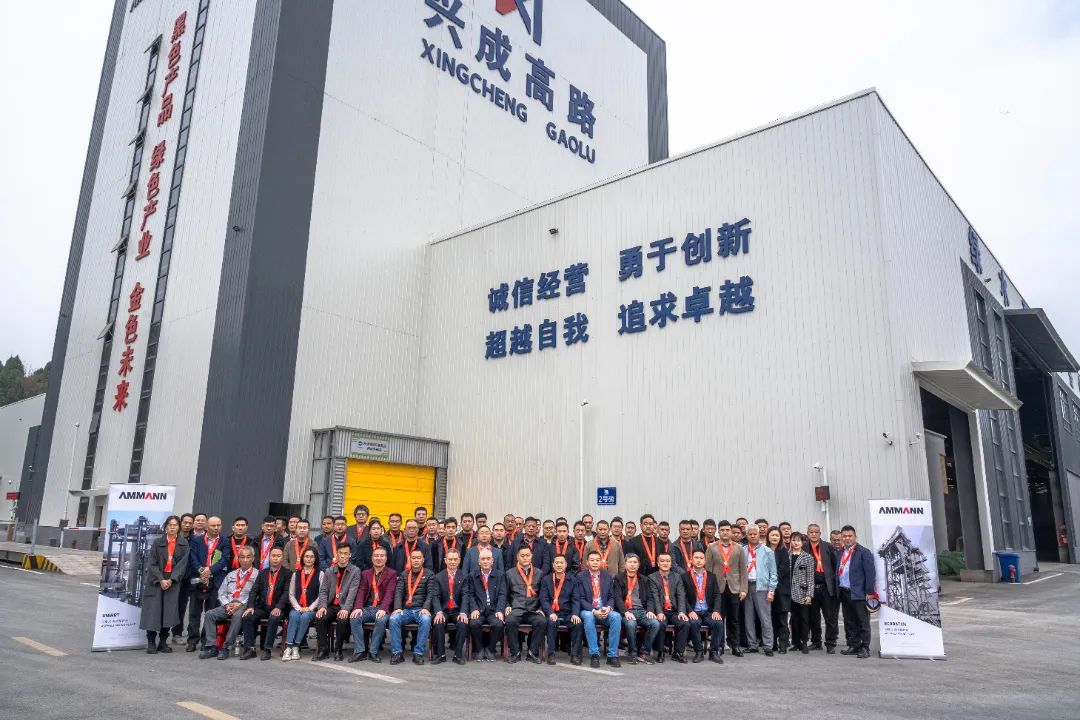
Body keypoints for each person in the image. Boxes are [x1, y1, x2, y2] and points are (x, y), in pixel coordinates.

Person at [141, 515, 189, 654]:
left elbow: (182, 565)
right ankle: (151, 642)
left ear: (179, 527)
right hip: (156, 581)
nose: (172, 527)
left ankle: (163, 642)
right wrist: (161, 579)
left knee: (168, 612)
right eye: (170, 525)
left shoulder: (184, 543)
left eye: (175, 525)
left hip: (173, 582)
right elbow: (152, 563)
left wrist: (172, 579)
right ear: (165, 527)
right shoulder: (157, 542)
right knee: (153, 611)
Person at [198, 545, 256, 660]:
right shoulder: (231, 574)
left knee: (237, 616)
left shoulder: (257, 575)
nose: (245, 560)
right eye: (242, 557)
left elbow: (256, 594)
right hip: (228, 604)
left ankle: (226, 647)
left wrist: (240, 604)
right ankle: (211, 646)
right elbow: (221, 592)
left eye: (248, 557)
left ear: (253, 559)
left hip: (244, 605)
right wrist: (227, 604)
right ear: (238, 559)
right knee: (209, 614)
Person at [185, 515, 229, 652]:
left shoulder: (225, 541)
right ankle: (192, 640)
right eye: (213, 525)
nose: (216, 528)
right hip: (197, 580)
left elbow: (224, 560)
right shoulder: (196, 540)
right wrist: (202, 571)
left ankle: (206, 641)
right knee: (194, 612)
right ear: (206, 527)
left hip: (215, 581)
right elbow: (192, 558)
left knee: (210, 612)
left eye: (218, 525)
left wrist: (209, 571)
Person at [240, 546, 291, 660]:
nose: (275, 558)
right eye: (273, 556)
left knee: (273, 618)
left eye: (278, 556)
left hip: (279, 608)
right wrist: (250, 606)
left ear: (282, 558)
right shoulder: (263, 573)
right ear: (269, 557)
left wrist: (279, 607)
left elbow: (286, 592)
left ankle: (267, 649)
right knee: (247, 616)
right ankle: (250, 648)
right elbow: (254, 591)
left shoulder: (287, 573)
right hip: (263, 606)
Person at [705, 520, 747, 656]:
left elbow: (743, 570)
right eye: (722, 530)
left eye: (727, 530)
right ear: (718, 532)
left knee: (734, 619)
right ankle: (719, 645)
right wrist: (709, 589)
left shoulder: (739, 548)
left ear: (731, 532)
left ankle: (735, 645)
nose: (725, 532)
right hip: (718, 588)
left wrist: (743, 589)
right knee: (719, 618)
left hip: (734, 587)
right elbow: (708, 570)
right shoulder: (711, 547)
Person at [573, 550, 621, 668]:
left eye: (597, 560)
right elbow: (581, 599)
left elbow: (611, 597)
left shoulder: (607, 576)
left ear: (601, 562)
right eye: (592, 560)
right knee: (589, 617)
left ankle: (612, 655)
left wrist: (608, 608)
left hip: (603, 609)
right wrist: (594, 611)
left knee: (616, 616)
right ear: (587, 562)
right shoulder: (580, 577)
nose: (595, 562)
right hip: (588, 610)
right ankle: (594, 654)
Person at [348, 546, 396, 662]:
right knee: (354, 617)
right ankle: (360, 651)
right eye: (376, 556)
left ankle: (373, 652)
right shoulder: (365, 573)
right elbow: (361, 591)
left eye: (382, 556)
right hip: (368, 608)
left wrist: (383, 609)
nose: (379, 558)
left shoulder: (392, 573)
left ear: (386, 558)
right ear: (372, 558)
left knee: (381, 620)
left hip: (381, 608)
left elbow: (390, 593)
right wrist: (358, 607)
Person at [313, 543, 361, 661]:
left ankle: (338, 649)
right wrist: (322, 606)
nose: (343, 556)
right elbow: (323, 591)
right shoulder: (329, 571)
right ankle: (323, 649)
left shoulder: (355, 571)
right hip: (331, 605)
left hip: (344, 605)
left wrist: (346, 609)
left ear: (350, 555)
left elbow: (353, 592)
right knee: (319, 617)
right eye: (340, 553)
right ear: (336, 554)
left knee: (342, 619)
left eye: (346, 553)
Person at [389, 549, 433, 665]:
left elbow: (431, 593)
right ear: (410, 560)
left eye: (419, 558)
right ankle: (397, 653)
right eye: (413, 558)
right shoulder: (404, 574)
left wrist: (426, 608)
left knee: (426, 619)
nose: (416, 560)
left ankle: (418, 653)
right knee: (393, 619)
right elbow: (398, 592)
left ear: (423, 560)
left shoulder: (429, 574)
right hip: (405, 610)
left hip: (421, 610)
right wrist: (397, 607)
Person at [837, 525, 875, 659]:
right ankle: (854, 645)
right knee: (849, 621)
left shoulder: (864, 552)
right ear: (841, 538)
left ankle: (865, 648)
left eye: (850, 536)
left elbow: (870, 574)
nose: (847, 538)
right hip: (844, 591)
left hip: (859, 593)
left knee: (863, 621)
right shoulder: (840, 552)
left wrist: (869, 592)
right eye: (844, 536)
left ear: (855, 537)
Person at [504, 547, 548, 663]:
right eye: (522, 556)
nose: (525, 558)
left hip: (533, 610)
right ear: (517, 557)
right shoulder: (509, 573)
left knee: (542, 622)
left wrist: (541, 608)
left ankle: (532, 653)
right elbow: (505, 593)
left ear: (531, 556)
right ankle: (515, 653)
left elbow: (543, 594)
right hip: (517, 609)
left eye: (527, 555)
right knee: (510, 621)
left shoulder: (539, 573)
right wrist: (507, 605)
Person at [613, 553, 659, 664]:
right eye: (630, 562)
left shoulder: (644, 579)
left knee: (655, 624)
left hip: (642, 611)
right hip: (627, 611)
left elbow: (650, 598)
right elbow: (617, 598)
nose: (632, 564)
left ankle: (644, 652)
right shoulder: (618, 579)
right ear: (625, 564)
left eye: (635, 562)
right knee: (631, 624)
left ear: (638, 565)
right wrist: (625, 612)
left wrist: (650, 610)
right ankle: (632, 653)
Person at [427, 548, 469, 664]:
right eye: (450, 559)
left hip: (457, 610)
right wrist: (438, 612)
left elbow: (466, 595)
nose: (452, 562)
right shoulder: (438, 577)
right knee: (438, 622)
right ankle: (440, 654)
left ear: (459, 560)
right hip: (443, 609)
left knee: (463, 623)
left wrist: (463, 612)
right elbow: (435, 596)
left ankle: (458, 655)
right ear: (445, 560)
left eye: (455, 559)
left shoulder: (464, 576)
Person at [540, 553, 582, 665]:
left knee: (577, 624)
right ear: (553, 565)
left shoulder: (572, 580)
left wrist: (575, 614)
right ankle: (551, 654)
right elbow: (543, 599)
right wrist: (550, 613)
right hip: (553, 613)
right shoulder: (546, 579)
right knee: (551, 622)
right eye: (557, 563)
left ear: (566, 564)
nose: (559, 565)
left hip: (568, 613)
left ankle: (575, 655)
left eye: (561, 563)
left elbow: (576, 599)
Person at [684, 549, 725, 663]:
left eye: (701, 558)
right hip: (694, 611)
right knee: (694, 623)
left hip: (707, 611)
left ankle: (714, 652)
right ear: (691, 560)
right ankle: (699, 652)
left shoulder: (711, 576)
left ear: (705, 561)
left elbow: (717, 595)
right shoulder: (685, 577)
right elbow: (683, 597)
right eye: (696, 558)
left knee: (718, 623)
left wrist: (716, 610)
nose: (699, 560)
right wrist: (690, 611)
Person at [742, 525, 777, 656]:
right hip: (746, 587)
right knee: (748, 618)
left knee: (765, 618)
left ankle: (768, 646)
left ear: (759, 535)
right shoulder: (742, 550)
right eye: (750, 534)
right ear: (746, 535)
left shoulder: (767, 551)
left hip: (762, 587)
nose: (752, 536)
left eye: (754, 534)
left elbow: (773, 573)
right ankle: (752, 645)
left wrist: (771, 590)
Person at [465, 547, 506, 662]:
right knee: (474, 623)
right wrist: (474, 609)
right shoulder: (472, 575)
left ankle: (490, 649)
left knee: (498, 624)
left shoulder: (500, 575)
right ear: (479, 561)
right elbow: (470, 595)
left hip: (493, 610)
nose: (486, 561)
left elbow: (502, 594)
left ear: (492, 561)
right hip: (479, 609)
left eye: (488, 558)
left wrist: (499, 610)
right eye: (483, 559)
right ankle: (479, 649)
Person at [646, 552, 689, 663]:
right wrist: (659, 612)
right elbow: (654, 596)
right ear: (658, 563)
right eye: (662, 561)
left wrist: (681, 612)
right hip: (661, 610)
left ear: (671, 563)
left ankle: (678, 652)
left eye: (668, 561)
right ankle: (660, 652)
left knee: (685, 623)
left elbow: (681, 595)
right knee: (660, 624)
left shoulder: (677, 577)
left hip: (674, 611)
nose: (665, 563)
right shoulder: (652, 578)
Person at [284, 546, 321, 661]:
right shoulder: (296, 574)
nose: (309, 559)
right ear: (302, 558)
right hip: (297, 607)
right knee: (294, 616)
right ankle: (288, 647)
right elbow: (291, 594)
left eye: (312, 557)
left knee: (305, 617)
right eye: (306, 556)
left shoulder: (320, 574)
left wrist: (310, 608)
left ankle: (296, 646)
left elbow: (321, 595)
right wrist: (298, 608)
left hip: (311, 609)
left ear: (315, 558)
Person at [806, 523, 839, 653]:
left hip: (826, 588)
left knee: (830, 618)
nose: (814, 534)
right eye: (811, 532)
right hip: (811, 588)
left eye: (816, 532)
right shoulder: (804, 547)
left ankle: (830, 643)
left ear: (820, 533)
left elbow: (835, 565)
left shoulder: (828, 547)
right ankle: (816, 642)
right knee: (813, 617)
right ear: (808, 533)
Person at [788, 532, 816, 654]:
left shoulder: (808, 557)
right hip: (789, 592)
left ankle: (804, 642)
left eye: (798, 540)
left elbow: (810, 577)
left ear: (802, 542)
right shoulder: (787, 555)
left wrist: (809, 594)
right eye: (793, 540)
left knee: (804, 619)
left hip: (802, 592)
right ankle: (796, 643)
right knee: (793, 619)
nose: (796, 543)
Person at [767, 526, 792, 653]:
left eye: (777, 535)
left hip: (781, 590)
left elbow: (784, 569)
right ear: (768, 537)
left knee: (782, 619)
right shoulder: (764, 550)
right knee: (771, 618)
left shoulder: (783, 551)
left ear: (780, 537)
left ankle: (783, 644)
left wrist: (773, 579)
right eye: (772, 535)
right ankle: (772, 644)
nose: (774, 537)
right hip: (767, 590)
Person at [172, 514, 195, 644]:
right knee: (169, 605)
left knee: (181, 606)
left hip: (186, 577)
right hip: (172, 577)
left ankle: (177, 633)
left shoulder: (194, 539)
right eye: (185, 522)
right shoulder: (173, 537)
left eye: (190, 523)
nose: (187, 525)